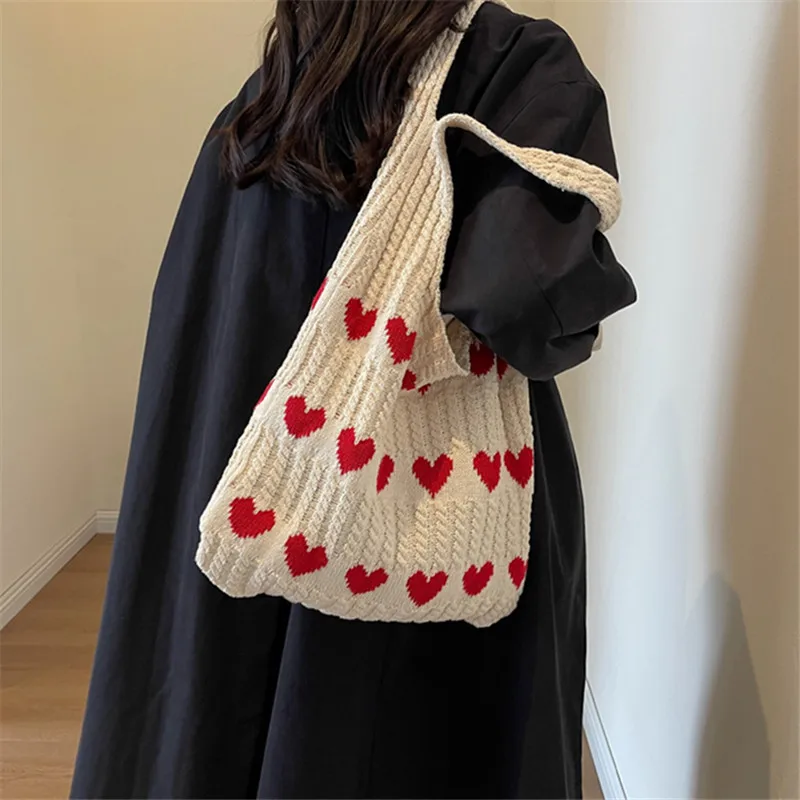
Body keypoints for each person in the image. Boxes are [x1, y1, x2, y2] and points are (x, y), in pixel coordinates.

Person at [71, 1, 636, 797]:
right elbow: (525, 293)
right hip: (437, 507)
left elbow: (191, 328)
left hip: (245, 475)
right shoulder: (512, 62)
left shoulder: (264, 102)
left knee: (226, 718)